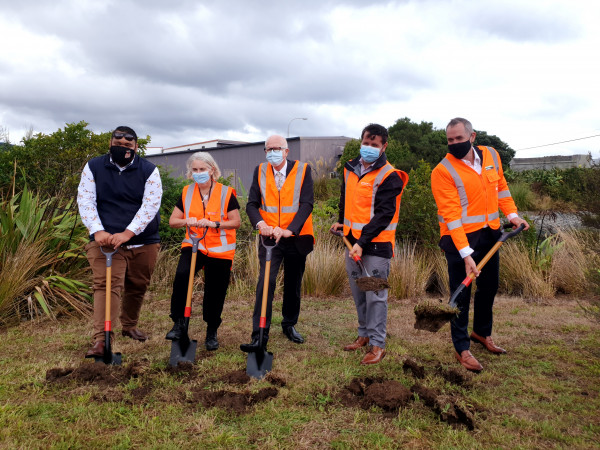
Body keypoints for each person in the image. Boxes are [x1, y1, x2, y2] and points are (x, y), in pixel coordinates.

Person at [431, 117, 529, 372]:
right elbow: (451, 216)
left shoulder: (492, 156)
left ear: (472, 137)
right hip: (458, 239)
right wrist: (466, 254)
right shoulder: (442, 171)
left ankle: (481, 334)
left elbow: (501, 189)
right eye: (450, 140)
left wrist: (512, 215)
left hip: (490, 233)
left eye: (459, 139)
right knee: (461, 295)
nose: (454, 144)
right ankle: (462, 348)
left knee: (488, 287)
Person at [78, 126, 162, 357]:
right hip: (105, 242)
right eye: (118, 143)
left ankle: (130, 326)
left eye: (128, 144)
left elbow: (150, 205)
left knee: (138, 285)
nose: (122, 147)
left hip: (143, 240)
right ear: (110, 143)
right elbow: (86, 200)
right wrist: (97, 231)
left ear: (135, 146)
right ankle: (102, 340)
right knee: (106, 287)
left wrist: (128, 233)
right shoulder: (93, 166)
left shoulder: (149, 170)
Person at [331, 123, 408, 365]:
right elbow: (346, 199)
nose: (369, 147)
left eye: (375, 145)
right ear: (361, 141)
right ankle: (363, 335)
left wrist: (362, 242)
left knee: (375, 295)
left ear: (383, 146)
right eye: (366, 142)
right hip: (352, 241)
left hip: (376, 245)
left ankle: (377, 344)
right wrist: (342, 223)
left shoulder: (390, 176)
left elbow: (384, 215)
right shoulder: (350, 168)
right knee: (359, 293)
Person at [243, 134, 314, 347]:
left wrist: (290, 230)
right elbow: (251, 205)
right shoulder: (260, 171)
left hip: (296, 237)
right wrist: (260, 224)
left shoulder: (303, 169)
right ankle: (259, 335)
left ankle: (289, 324)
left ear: (286, 151)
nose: (272, 153)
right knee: (266, 282)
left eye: (277, 148)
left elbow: (307, 204)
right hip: (269, 239)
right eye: (268, 149)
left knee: (293, 284)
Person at [165, 152, 241, 350]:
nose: (198, 173)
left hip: (220, 249)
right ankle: (179, 323)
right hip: (194, 244)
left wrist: (215, 223)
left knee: (215, 290)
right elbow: (173, 221)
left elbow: (236, 222)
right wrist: (186, 221)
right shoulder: (187, 192)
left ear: (212, 170)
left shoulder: (226, 192)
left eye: (202, 169)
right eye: (195, 170)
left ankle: (212, 330)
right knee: (182, 276)